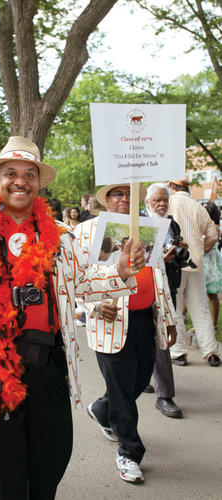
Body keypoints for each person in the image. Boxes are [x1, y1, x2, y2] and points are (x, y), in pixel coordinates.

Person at [0, 137, 145, 500]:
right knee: (0, 478)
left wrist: (119, 270)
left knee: (50, 462)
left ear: (38, 182)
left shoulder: (59, 234)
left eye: (29, 173)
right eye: (10, 172)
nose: (20, 180)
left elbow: (82, 283)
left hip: (49, 369)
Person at [74, 182, 177, 484]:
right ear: (105, 199)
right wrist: (92, 309)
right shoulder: (85, 232)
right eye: (118, 194)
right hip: (111, 322)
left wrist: (169, 318)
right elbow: (74, 278)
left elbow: (158, 277)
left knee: (140, 381)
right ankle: (129, 452)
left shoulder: (150, 229)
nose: (124, 199)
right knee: (122, 392)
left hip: (145, 319)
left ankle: (102, 409)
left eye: (130, 194)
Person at [168, 179, 220, 367]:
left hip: (175, 262)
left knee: (175, 307)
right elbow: (214, 234)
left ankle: (179, 352)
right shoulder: (199, 207)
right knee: (201, 308)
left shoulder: (169, 202)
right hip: (196, 261)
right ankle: (211, 351)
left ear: (172, 186)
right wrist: (203, 249)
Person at [144, 183, 183, 418]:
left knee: (162, 339)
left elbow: (177, 255)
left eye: (165, 200)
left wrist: (181, 252)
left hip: (168, 286)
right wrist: (161, 258)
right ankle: (162, 393)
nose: (161, 204)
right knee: (152, 340)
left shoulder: (172, 223)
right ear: (147, 202)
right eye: (157, 200)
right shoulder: (139, 222)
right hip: (147, 288)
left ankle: (162, 392)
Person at [202, 201, 222, 333]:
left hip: (210, 263)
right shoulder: (204, 226)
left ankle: (213, 325)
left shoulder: (214, 227)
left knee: (212, 294)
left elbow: (207, 248)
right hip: (204, 260)